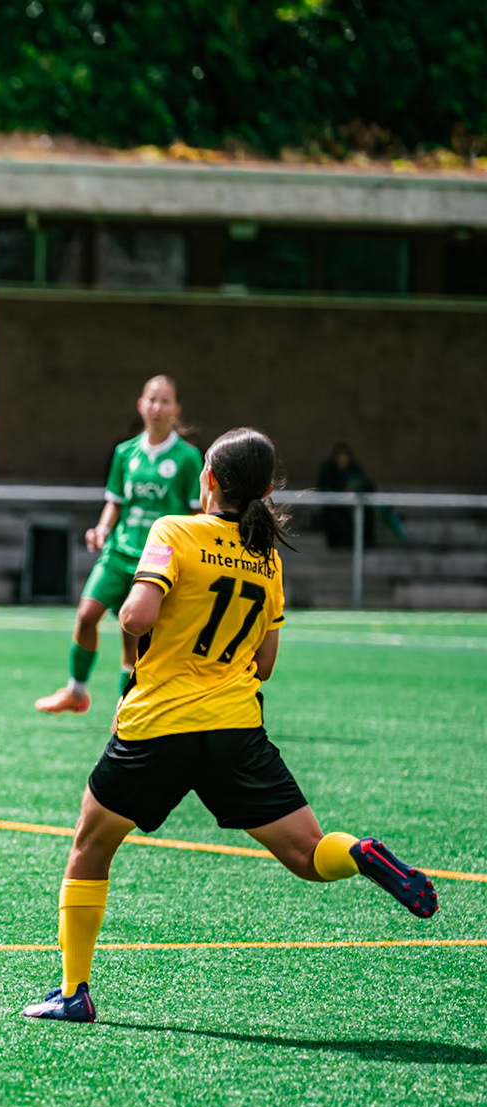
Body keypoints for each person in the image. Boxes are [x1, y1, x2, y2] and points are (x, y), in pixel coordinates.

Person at [22, 428, 437, 1024]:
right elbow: (264, 666)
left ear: (209, 480)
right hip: (236, 731)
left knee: (91, 846)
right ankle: (363, 852)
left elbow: (137, 615)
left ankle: (74, 992)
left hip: (158, 725)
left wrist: (140, 649)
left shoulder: (174, 531)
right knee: (311, 854)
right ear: (266, 490)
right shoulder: (267, 557)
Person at [36, 376, 202, 716]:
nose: (157, 407)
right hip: (118, 552)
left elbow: (195, 511)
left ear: (176, 409)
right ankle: (76, 692)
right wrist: (101, 528)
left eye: (165, 401)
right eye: (151, 400)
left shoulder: (188, 458)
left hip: (156, 560)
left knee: (135, 641)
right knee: (86, 616)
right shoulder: (125, 453)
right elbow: (115, 501)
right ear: (140, 405)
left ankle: (126, 713)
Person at [315, 441, 387, 549]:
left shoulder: (354, 467)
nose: (342, 460)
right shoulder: (328, 469)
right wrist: (340, 492)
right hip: (335, 506)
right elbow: (323, 487)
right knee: (336, 517)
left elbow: (367, 484)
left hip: (353, 503)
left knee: (367, 512)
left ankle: (365, 542)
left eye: (345, 456)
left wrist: (354, 488)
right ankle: (340, 543)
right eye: (340, 456)